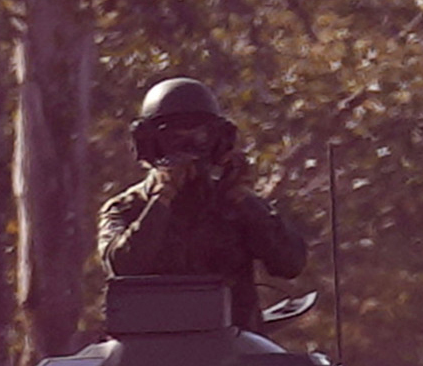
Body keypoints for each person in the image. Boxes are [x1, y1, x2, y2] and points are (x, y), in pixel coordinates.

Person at [94, 77, 309, 332]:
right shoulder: (126, 208)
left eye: (199, 135)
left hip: (233, 351)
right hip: (149, 353)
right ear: (151, 143)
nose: (189, 148)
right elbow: (122, 267)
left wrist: (245, 202)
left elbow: (290, 263)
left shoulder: (234, 204)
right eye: (174, 136)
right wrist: (161, 200)